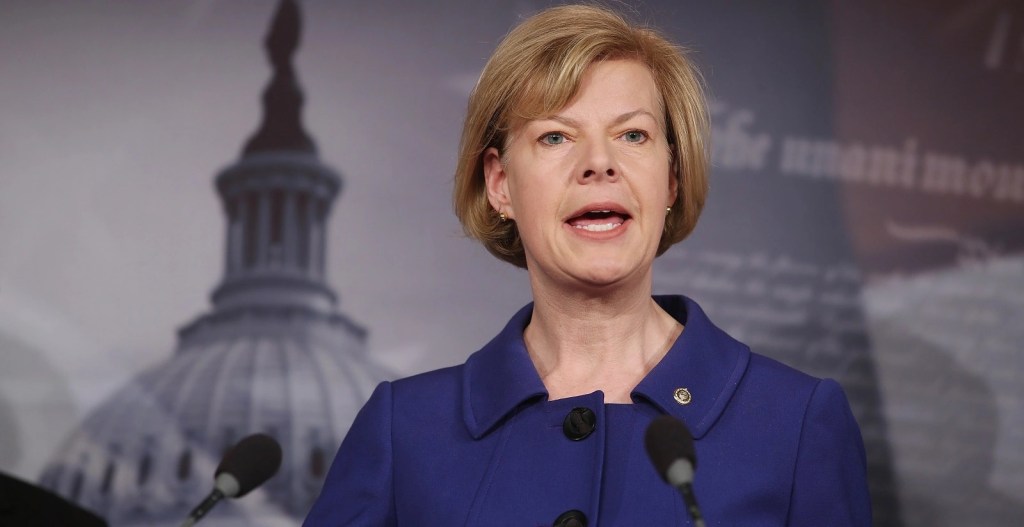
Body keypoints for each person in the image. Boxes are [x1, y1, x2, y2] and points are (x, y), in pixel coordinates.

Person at [304, 4, 872, 526]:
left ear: (671, 178)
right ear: (500, 183)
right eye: (555, 136)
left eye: (633, 135)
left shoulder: (795, 424)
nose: (599, 163)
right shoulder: (405, 432)